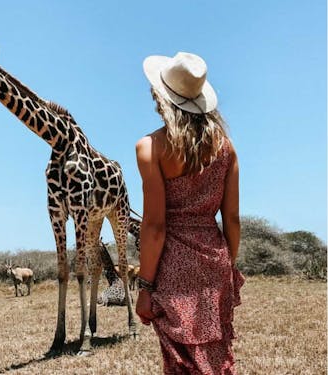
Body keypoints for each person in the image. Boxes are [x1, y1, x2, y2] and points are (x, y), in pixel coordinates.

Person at [135, 52, 245, 374]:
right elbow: (233, 220)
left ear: (161, 96)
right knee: (215, 357)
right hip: (215, 260)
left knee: (181, 362)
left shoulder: (150, 147)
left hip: (173, 265)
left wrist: (145, 287)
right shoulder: (227, 148)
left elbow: (155, 226)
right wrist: (229, 267)